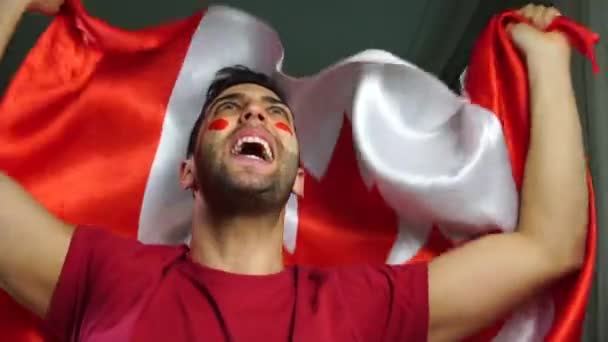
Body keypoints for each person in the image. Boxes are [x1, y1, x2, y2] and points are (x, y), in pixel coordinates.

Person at [0, 1, 588, 341]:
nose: (253, 112)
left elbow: (548, 248)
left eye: (276, 114)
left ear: (298, 179)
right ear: (188, 173)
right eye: (227, 112)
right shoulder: (107, 275)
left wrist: (548, 60)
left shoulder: (361, 307)